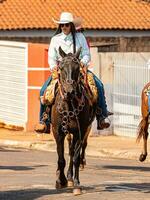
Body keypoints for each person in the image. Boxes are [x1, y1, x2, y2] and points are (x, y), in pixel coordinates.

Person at [35, 12, 112, 133]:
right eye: (62, 25)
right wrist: (53, 67)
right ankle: (43, 120)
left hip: (78, 70)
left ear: (71, 25)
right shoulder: (55, 39)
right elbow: (51, 57)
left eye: (66, 25)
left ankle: (101, 116)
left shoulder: (80, 37)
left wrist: (83, 63)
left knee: (99, 85)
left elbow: (86, 53)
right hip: (62, 71)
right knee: (43, 90)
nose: (64, 27)